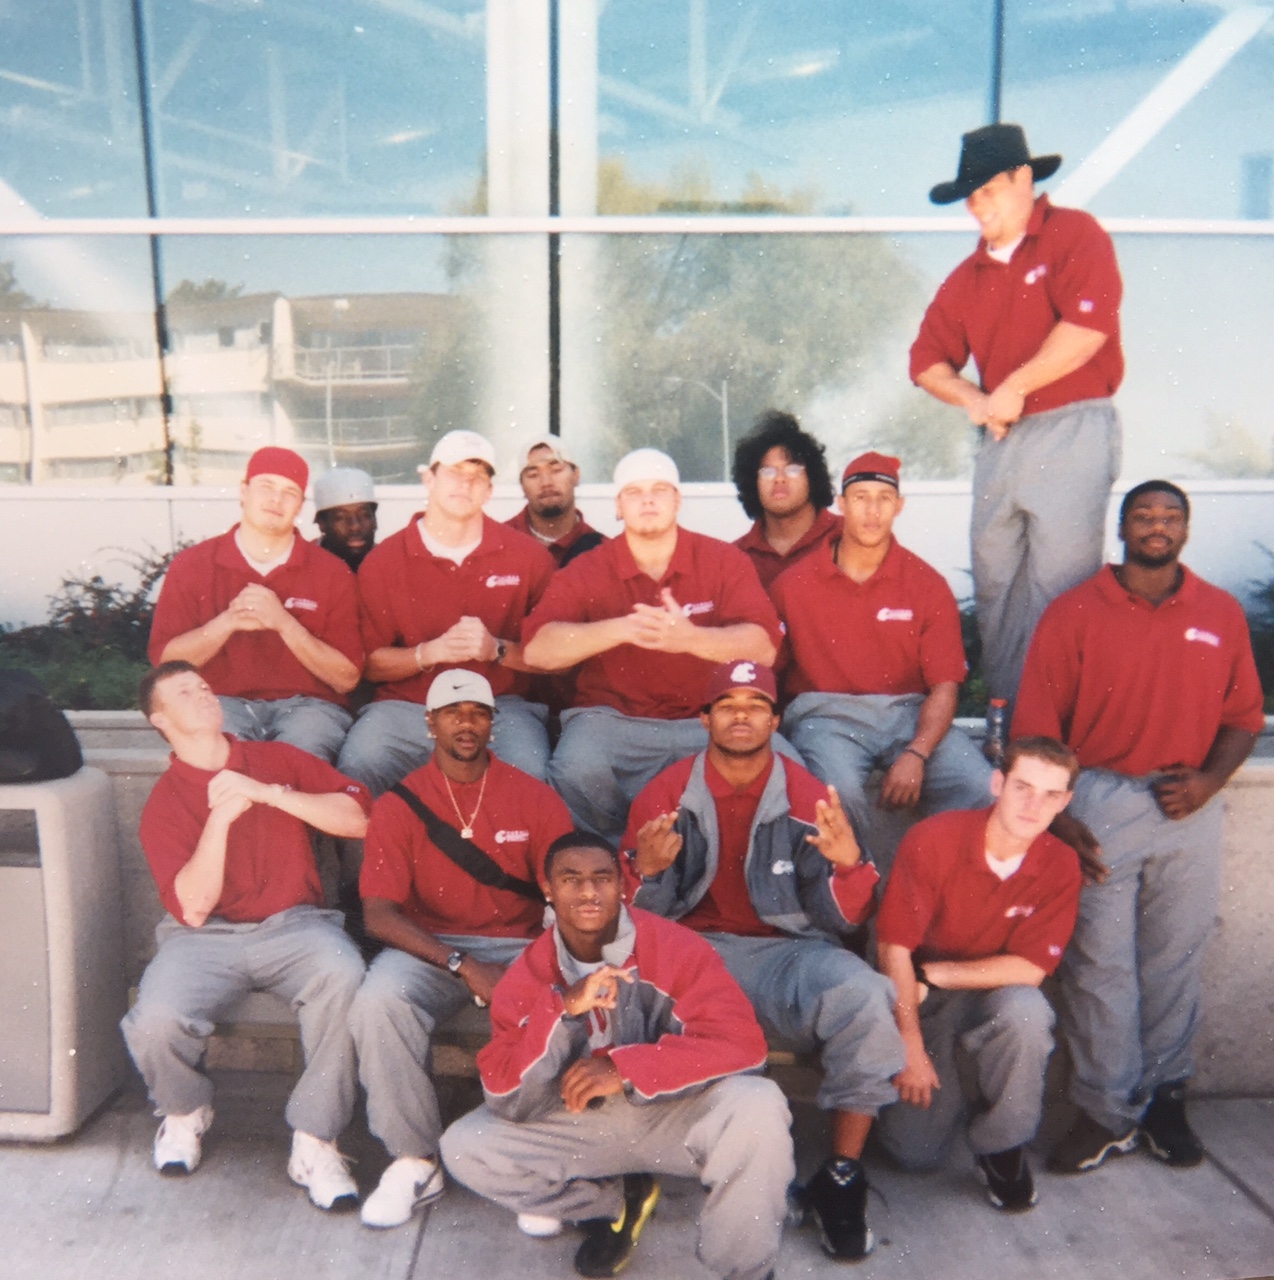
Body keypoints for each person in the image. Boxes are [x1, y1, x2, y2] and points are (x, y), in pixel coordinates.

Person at [1012, 480, 1264, 1173]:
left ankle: (1164, 1103)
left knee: (1174, 961)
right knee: (1099, 967)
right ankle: (1104, 1110)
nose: (1158, 525)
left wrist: (1211, 781)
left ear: (1186, 529)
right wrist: (1064, 819)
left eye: (1171, 516)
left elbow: (1244, 719)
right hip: (1100, 800)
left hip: (1188, 802)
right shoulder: (1075, 613)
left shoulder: (1217, 611)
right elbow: (1035, 729)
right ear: (1121, 527)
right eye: (1144, 515)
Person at [622, 660, 903, 1261]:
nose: (742, 714)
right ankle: (626, 1166)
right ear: (705, 718)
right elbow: (640, 915)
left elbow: (839, 921)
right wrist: (642, 871)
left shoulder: (808, 796)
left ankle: (841, 1178)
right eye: (727, 703)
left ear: (775, 720)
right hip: (693, 954)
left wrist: (850, 867)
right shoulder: (666, 791)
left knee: (866, 994)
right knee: (619, 991)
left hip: (786, 952)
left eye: (756, 704)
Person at [440, 831, 794, 1280]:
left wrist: (623, 1067)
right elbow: (506, 1095)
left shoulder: (675, 947)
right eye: (571, 879)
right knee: (465, 1147)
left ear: (622, 886)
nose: (588, 891)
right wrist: (563, 1007)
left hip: (676, 1116)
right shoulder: (527, 974)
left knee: (758, 1103)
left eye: (602, 878)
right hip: (587, 1122)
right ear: (548, 889)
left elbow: (744, 1046)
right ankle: (611, 1204)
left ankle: (745, 1272)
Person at [120, 661, 370, 1209]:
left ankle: (315, 1141)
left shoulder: (275, 759)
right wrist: (220, 818)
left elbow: (359, 819)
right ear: (160, 720)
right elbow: (193, 905)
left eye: (206, 686)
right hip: (204, 937)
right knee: (154, 1019)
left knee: (345, 976)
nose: (204, 695)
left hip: (295, 925)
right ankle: (185, 1112)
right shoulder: (164, 801)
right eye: (185, 692)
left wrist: (269, 793)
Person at [348, 669, 573, 1230]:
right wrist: (462, 964)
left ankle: (531, 1163)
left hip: (519, 943)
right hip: (432, 948)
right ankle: (414, 1159)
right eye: (453, 713)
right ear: (431, 723)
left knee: (560, 997)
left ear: (493, 724)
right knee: (379, 1001)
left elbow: (567, 893)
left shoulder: (534, 796)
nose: (465, 723)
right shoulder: (401, 803)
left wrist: (534, 961)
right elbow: (378, 914)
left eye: (477, 712)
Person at [909, 123, 1124, 706]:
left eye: (988, 189)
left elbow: (1087, 329)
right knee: (997, 583)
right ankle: (1007, 731)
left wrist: (1015, 386)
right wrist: (977, 401)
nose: (978, 204)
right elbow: (925, 361)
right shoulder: (967, 276)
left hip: (1071, 426)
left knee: (1061, 590)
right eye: (970, 195)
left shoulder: (1074, 235)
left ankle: (1059, 737)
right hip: (1000, 442)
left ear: (1024, 178)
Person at [523, 447, 783, 843]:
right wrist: (623, 629)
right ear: (617, 506)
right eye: (634, 492)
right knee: (576, 768)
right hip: (614, 721)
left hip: (705, 718)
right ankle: (617, 858)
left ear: (677, 501)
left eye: (659, 490)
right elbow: (538, 649)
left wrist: (691, 639)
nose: (647, 500)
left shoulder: (721, 560)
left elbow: (764, 648)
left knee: (788, 769)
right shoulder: (591, 567)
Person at [875, 737, 1082, 1212]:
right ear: (997, 784)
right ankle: (952, 1078)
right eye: (1022, 787)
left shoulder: (1060, 862)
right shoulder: (935, 838)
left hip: (979, 989)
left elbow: (1030, 969)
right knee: (913, 1154)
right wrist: (908, 1045)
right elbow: (894, 948)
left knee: (1028, 1013)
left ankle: (1003, 1145)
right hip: (918, 995)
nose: (1034, 805)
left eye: (1051, 795)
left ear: (1065, 801)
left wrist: (941, 972)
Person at [772, 451, 990, 851]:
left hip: (908, 716)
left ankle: (949, 894)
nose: (872, 511)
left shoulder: (926, 583)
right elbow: (768, 673)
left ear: (899, 506)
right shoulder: (795, 584)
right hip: (827, 716)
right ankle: (853, 898)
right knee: (839, 798)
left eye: (883, 499)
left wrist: (918, 754)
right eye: (860, 497)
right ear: (841, 504)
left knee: (981, 788)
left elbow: (945, 686)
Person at [338, 430, 556, 794]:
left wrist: (497, 650)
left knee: (530, 771)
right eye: (454, 473)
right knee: (361, 761)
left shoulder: (529, 557)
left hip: (500, 708)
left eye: (476, 477)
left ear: (489, 490)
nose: (464, 484)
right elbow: (369, 664)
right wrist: (428, 653)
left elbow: (555, 658)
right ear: (429, 479)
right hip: (409, 706)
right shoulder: (384, 562)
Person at [148, 446, 363, 762]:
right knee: (219, 755)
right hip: (222, 702)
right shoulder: (193, 564)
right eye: (266, 487)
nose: (276, 500)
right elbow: (166, 664)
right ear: (243, 492)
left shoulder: (330, 572)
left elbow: (347, 677)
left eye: (289, 492)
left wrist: (284, 623)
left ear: (300, 506)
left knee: (297, 762)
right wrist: (227, 623)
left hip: (309, 708)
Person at [731, 409, 841, 594]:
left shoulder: (846, 537)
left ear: (812, 477)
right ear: (752, 482)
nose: (779, 479)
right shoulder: (736, 557)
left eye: (792, 469)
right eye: (768, 471)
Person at [506, 436, 605, 568]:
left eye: (556, 470)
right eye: (533, 475)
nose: (546, 483)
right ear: (522, 486)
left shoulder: (601, 550)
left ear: (576, 475)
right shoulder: (499, 542)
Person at [313, 466, 379, 572]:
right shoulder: (306, 565)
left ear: (374, 519)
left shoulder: (389, 563)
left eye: (364, 515)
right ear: (322, 524)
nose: (355, 526)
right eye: (341, 518)